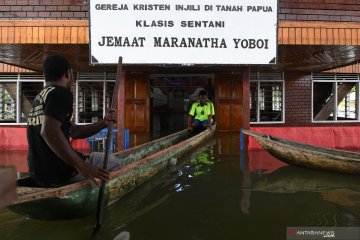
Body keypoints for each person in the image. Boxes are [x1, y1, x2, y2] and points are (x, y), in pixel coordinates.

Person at [27, 55, 122, 187]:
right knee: (113, 162)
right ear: (68, 73)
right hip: (59, 173)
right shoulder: (61, 93)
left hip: (38, 173)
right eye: (72, 73)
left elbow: (74, 132)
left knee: (95, 159)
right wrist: (81, 165)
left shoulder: (41, 96)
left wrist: (103, 123)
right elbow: (48, 132)